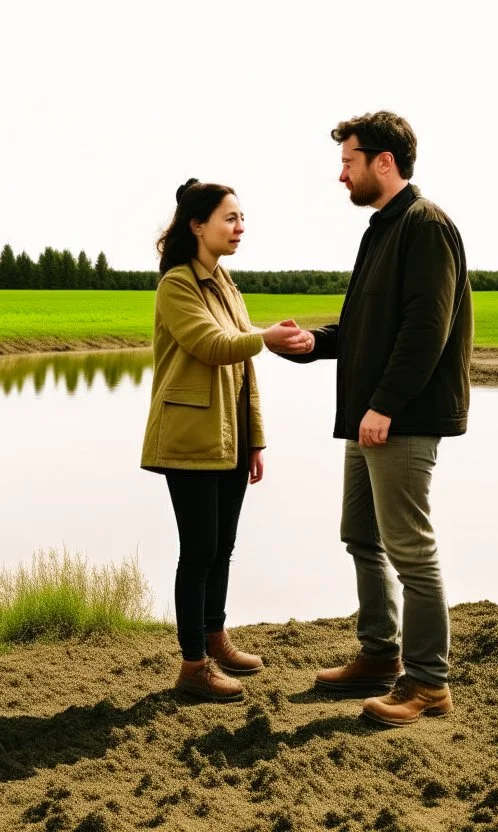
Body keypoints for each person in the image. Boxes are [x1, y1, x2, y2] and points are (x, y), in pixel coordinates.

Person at [269, 112, 473, 726]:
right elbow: (365, 326)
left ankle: (429, 683)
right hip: (369, 418)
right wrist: (315, 342)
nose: (341, 175)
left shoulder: (426, 226)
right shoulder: (381, 229)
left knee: (411, 549)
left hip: (401, 418)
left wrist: (384, 405)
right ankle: (380, 655)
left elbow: (425, 329)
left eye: (349, 162)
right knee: (360, 533)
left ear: (384, 162)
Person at [142, 178, 309, 702]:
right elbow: (213, 345)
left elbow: (243, 373)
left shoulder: (224, 280)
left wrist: (254, 441)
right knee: (198, 551)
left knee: (223, 547)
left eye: (242, 219)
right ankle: (193, 666)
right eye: (230, 218)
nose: (240, 228)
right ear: (197, 225)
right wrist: (265, 338)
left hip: (229, 438)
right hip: (190, 437)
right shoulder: (177, 284)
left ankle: (216, 639)